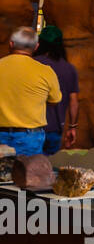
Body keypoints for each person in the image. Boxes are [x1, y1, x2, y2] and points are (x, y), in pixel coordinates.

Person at [0, 26, 62, 155]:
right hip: (29, 137)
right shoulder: (46, 71)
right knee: (27, 173)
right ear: (36, 47)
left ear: (11, 44)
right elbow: (55, 101)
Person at [33, 24, 79, 155]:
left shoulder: (33, 63)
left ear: (40, 43)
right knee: (47, 169)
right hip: (55, 128)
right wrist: (72, 127)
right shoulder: (69, 69)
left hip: (31, 128)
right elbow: (74, 101)